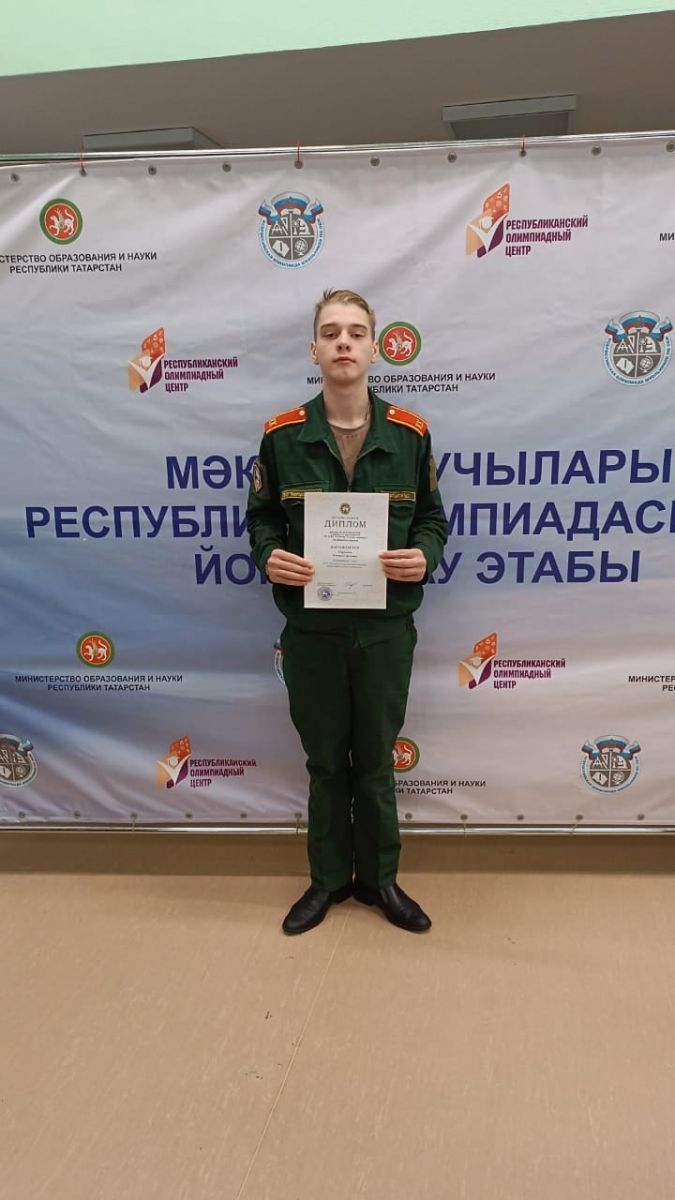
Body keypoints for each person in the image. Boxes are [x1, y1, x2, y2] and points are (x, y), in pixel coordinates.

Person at [246, 289, 448, 935]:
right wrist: (270, 556)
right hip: (313, 630)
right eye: (331, 332)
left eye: (356, 332)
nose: (343, 342)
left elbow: (432, 518)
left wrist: (423, 554)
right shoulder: (282, 435)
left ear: (374, 348)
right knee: (327, 763)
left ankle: (380, 880)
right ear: (314, 350)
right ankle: (327, 880)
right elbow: (261, 518)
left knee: (377, 763)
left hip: (385, 629)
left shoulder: (409, 433)